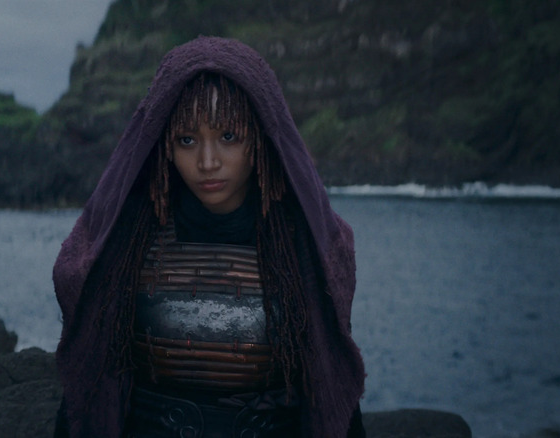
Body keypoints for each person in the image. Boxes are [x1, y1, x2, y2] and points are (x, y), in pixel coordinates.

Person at [53, 36, 365, 437]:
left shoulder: (301, 242)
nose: (207, 161)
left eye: (228, 137)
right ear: (164, 144)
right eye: (187, 140)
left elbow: (330, 384)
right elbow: (93, 383)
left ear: (260, 137)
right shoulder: (128, 237)